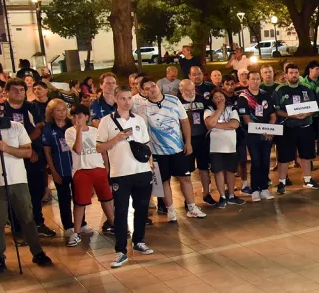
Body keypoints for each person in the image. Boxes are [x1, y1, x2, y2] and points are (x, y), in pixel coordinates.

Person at [0, 104, 53, 274]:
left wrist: (8, 149)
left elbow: (28, 152)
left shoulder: (16, 127)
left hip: (18, 180)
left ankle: (37, 252)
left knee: (27, 218)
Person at [96, 87, 155, 268]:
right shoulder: (107, 121)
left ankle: (139, 241)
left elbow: (146, 145)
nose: (127, 101)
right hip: (120, 174)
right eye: (122, 98)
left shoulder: (139, 120)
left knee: (142, 208)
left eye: (129, 98)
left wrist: (150, 166)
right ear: (115, 99)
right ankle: (120, 250)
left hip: (142, 171)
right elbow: (99, 147)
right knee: (121, 212)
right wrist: (117, 139)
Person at [138, 77, 207, 221]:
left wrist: (188, 143)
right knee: (164, 182)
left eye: (153, 86)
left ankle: (192, 207)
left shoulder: (174, 101)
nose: (151, 89)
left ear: (157, 86)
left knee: (185, 178)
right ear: (143, 92)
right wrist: (149, 154)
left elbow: (184, 122)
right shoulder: (143, 108)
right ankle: (170, 210)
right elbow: (143, 132)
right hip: (158, 152)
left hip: (178, 149)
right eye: (147, 89)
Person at [3, 79, 56, 238]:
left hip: (34, 154)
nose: (18, 93)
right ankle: (17, 228)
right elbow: (5, 135)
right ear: (6, 92)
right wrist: (21, 150)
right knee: (15, 193)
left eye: (21, 90)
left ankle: (38, 222)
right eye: (14, 90)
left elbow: (40, 128)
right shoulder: (3, 110)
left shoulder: (32, 107)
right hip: (10, 155)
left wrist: (30, 149)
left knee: (37, 190)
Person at [64, 105, 114, 247]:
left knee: (106, 198)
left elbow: (102, 150)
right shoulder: (70, 132)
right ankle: (76, 232)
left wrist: (107, 167)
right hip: (81, 170)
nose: (76, 119)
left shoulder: (95, 131)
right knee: (80, 203)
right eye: (73, 116)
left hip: (98, 168)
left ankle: (113, 224)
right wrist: (79, 130)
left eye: (79, 116)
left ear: (87, 117)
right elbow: (78, 149)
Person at [274, 63, 319, 193]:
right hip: (288, 128)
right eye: (291, 73)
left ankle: (308, 179)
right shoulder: (280, 90)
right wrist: (291, 115)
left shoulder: (306, 88)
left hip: (305, 126)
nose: (294, 75)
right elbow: (277, 111)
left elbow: (314, 107)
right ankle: (282, 182)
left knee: (306, 155)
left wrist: (307, 113)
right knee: (284, 157)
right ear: (286, 75)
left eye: (296, 72)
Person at [238, 69, 276, 201]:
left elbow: (272, 115)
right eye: (252, 79)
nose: (255, 81)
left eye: (257, 79)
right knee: (256, 161)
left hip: (267, 135)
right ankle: (255, 189)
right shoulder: (243, 98)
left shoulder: (266, 96)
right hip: (252, 135)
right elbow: (247, 119)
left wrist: (270, 129)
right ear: (247, 80)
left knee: (266, 161)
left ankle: (264, 188)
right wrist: (263, 130)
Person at [203, 89, 244, 207]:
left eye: (221, 96)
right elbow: (208, 123)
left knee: (231, 171)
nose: (219, 99)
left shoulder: (232, 109)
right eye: (216, 97)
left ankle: (231, 195)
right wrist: (219, 109)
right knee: (218, 171)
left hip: (230, 145)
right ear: (212, 100)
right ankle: (222, 196)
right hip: (215, 147)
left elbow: (234, 124)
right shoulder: (209, 110)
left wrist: (216, 125)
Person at [41, 99, 75, 234]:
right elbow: (47, 152)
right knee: (64, 199)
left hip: (75, 167)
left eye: (63, 110)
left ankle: (81, 223)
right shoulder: (48, 128)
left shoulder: (72, 125)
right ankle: (68, 226)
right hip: (60, 168)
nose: (61, 113)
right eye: (58, 110)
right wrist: (53, 172)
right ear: (51, 112)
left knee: (79, 198)